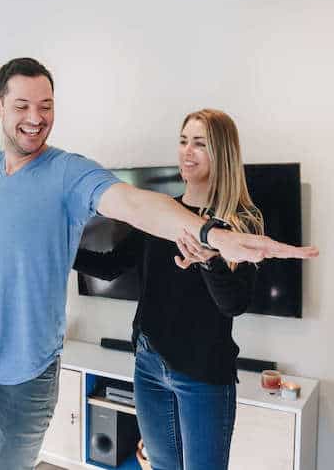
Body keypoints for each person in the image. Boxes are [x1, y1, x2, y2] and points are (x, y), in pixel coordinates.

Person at [0, 58, 318, 470]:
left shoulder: (70, 173)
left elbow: (135, 203)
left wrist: (214, 236)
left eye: (46, 106)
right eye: (22, 106)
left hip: (42, 372)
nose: (35, 117)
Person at [75, 109, 266, 469]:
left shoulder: (241, 221)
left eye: (199, 144)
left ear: (221, 152)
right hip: (149, 364)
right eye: (182, 142)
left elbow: (234, 303)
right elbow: (112, 265)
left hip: (203, 375)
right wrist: (61, 250)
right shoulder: (162, 213)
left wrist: (208, 260)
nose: (186, 151)